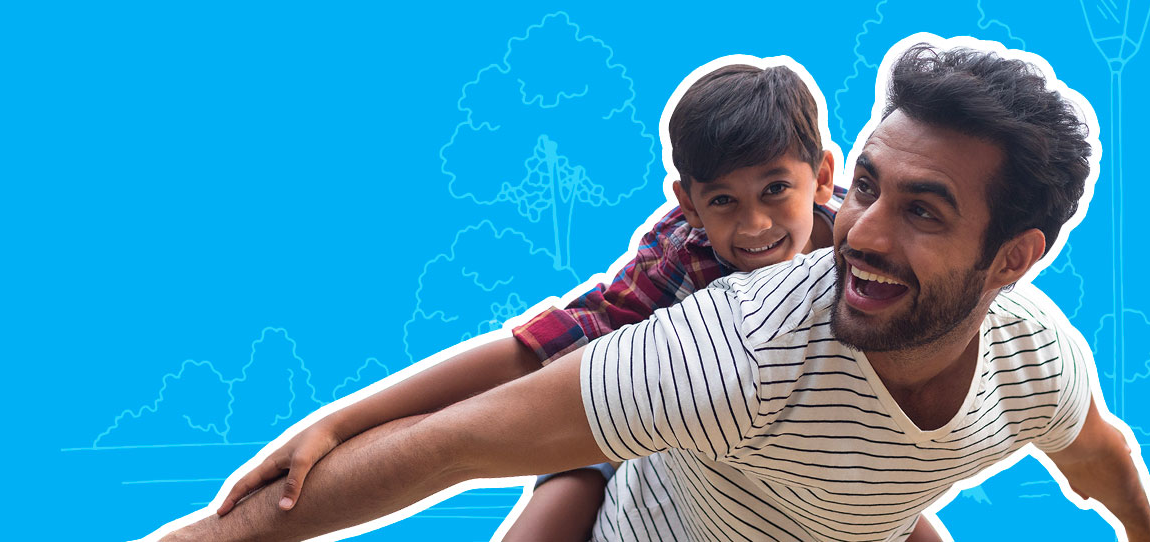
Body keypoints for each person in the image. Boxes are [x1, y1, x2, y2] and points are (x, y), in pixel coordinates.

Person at [154, 36, 1150, 542]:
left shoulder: (1033, 353)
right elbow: (473, 417)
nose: (857, 233)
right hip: (639, 462)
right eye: (870, 187)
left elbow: (1101, 450)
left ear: (1015, 258)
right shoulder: (725, 340)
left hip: (818, 495)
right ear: (686, 198)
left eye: (922, 209)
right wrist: (322, 432)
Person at [207, 57, 942, 541]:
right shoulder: (681, 256)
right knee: (562, 497)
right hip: (656, 428)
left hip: (810, 456)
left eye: (773, 191)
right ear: (687, 202)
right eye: (722, 201)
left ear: (820, 176)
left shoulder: (860, 254)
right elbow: (533, 352)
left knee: (915, 526)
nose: (751, 225)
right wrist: (337, 424)